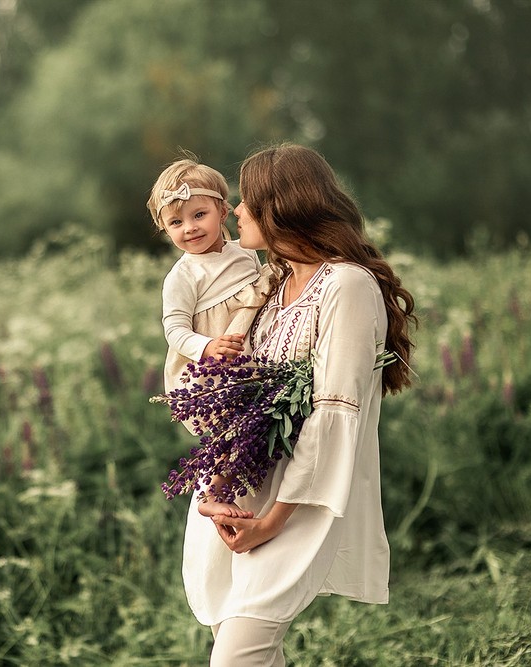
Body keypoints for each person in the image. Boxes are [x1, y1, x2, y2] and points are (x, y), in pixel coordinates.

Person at [182, 143, 417, 667]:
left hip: (298, 501)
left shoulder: (347, 286)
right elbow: (241, 400)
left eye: (247, 201)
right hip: (243, 492)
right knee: (250, 654)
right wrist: (217, 483)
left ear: (282, 207)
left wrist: (273, 521)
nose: (235, 211)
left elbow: (336, 413)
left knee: (238, 658)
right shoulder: (272, 284)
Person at [147, 157, 273, 520]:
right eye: (176, 222)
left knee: (253, 426)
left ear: (223, 210)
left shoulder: (246, 252)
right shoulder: (183, 276)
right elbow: (174, 329)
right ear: (165, 229)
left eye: (198, 215)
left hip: (247, 355)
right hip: (210, 367)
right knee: (229, 428)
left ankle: (248, 487)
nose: (189, 228)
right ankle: (213, 493)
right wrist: (206, 346)